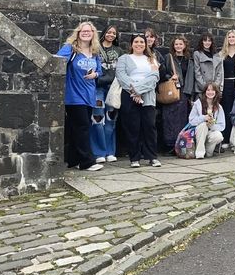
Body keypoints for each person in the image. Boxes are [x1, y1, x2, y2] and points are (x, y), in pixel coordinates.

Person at [56, 21, 104, 172]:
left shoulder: (94, 51)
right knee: (82, 127)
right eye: (83, 31)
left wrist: (95, 74)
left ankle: (73, 160)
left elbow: (100, 71)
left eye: (89, 31)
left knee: (78, 128)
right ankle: (87, 162)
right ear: (78, 33)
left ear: (93, 34)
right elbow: (55, 60)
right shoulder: (71, 49)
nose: (86, 33)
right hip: (74, 96)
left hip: (89, 95)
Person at [116, 33, 161, 168]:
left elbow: (154, 77)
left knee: (149, 127)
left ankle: (152, 156)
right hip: (129, 96)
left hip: (147, 96)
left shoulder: (151, 59)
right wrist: (133, 91)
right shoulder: (124, 58)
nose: (139, 44)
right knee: (132, 127)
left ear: (146, 44)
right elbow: (121, 76)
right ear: (131, 44)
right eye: (136, 41)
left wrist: (139, 90)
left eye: (142, 42)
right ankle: (134, 158)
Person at [90, 23, 123, 163]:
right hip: (98, 87)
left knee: (111, 119)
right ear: (104, 33)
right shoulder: (95, 49)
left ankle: (110, 151)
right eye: (109, 32)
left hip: (113, 88)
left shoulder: (119, 51)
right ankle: (99, 152)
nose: (111, 35)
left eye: (114, 33)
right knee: (97, 118)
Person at [160, 35, 194, 154]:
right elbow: (162, 73)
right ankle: (170, 145)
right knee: (169, 118)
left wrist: (190, 93)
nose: (178, 46)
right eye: (176, 44)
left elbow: (191, 76)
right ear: (173, 46)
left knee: (182, 119)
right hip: (172, 90)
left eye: (180, 44)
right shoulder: (168, 58)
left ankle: (180, 144)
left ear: (184, 46)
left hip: (184, 92)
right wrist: (170, 77)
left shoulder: (189, 59)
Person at [188, 82, 225, 159]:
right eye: (208, 90)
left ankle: (209, 152)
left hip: (210, 132)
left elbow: (222, 126)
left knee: (218, 136)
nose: (210, 92)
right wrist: (203, 118)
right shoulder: (198, 104)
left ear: (216, 92)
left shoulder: (218, 107)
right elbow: (191, 121)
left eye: (212, 90)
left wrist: (212, 125)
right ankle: (199, 153)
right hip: (198, 132)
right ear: (205, 92)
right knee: (203, 125)